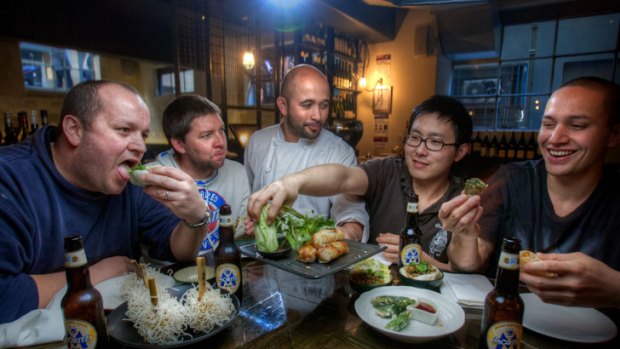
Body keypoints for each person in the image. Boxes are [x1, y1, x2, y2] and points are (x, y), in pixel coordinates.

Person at [0, 80, 209, 323]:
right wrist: (96, 275)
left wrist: (195, 217)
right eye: (123, 130)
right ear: (74, 130)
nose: (140, 147)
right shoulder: (10, 180)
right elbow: (4, 297)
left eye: (143, 135)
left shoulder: (129, 186)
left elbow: (176, 249)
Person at [440, 77, 620, 312]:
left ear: (613, 135)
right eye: (548, 124)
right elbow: (468, 266)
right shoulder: (512, 179)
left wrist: (615, 289)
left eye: (577, 126)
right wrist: (463, 232)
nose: (555, 138)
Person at [248, 95, 472, 268]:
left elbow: (468, 271)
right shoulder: (388, 171)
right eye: (414, 138)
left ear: (460, 151)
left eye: (435, 142)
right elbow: (342, 177)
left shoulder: (464, 200)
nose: (420, 150)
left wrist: (417, 257)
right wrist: (292, 183)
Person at [244, 64, 368, 241]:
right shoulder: (258, 142)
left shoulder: (340, 152)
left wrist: (348, 233)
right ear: (283, 106)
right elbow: (247, 200)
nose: (317, 115)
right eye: (307, 105)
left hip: (314, 261)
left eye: (324, 105)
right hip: (264, 257)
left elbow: (351, 215)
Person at [148, 95, 251, 258]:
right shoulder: (153, 179)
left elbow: (241, 236)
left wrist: (252, 228)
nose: (220, 142)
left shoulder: (238, 173)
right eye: (206, 135)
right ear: (179, 144)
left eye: (221, 130)